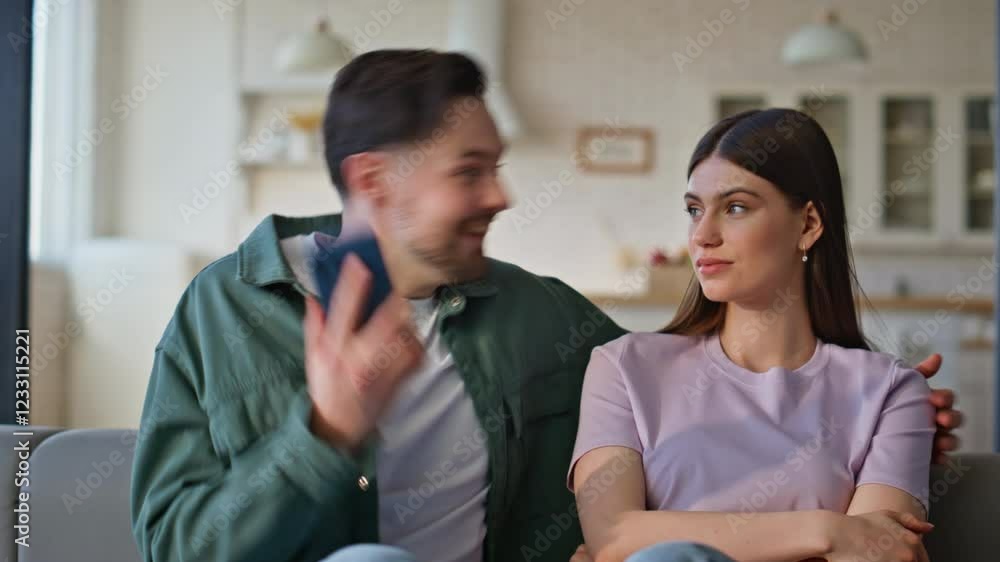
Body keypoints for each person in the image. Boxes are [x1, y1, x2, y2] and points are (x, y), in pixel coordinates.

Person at [129, 51, 961, 562]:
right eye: (471, 171)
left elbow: (699, 390)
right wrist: (323, 434)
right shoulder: (225, 311)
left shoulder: (544, 319)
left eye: (496, 166)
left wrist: (889, 417)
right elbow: (177, 548)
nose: (502, 195)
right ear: (374, 180)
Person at [568, 108, 953, 562]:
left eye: (735, 208)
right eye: (694, 210)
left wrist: (653, 535)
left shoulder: (891, 391)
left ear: (808, 225)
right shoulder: (623, 368)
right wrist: (827, 530)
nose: (702, 235)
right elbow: (613, 537)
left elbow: (878, 554)